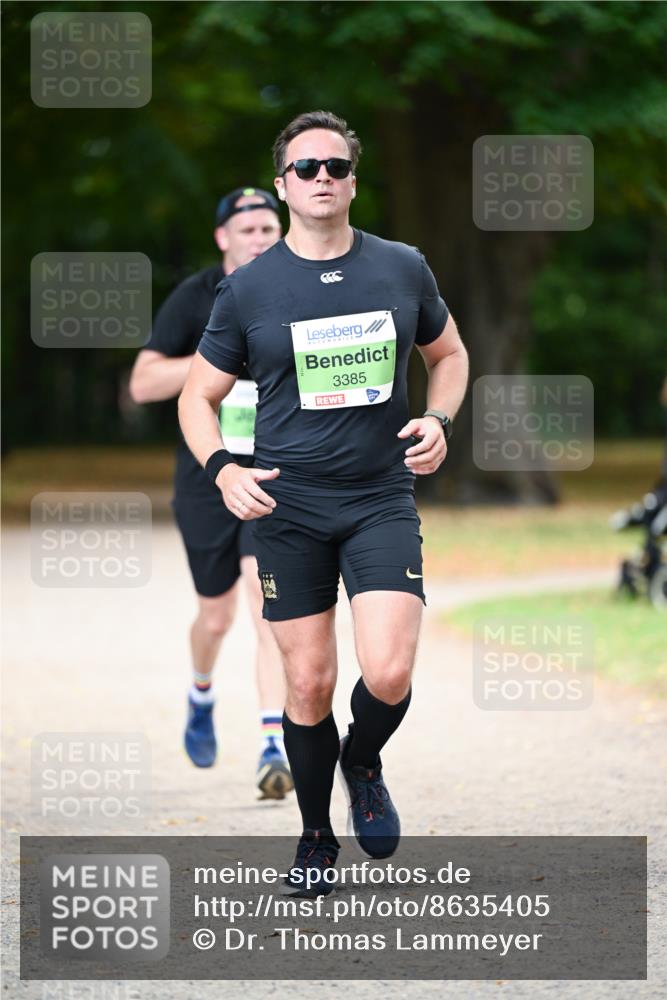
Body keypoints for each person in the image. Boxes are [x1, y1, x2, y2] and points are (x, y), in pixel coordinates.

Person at [178, 112, 469, 895]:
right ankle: (314, 838)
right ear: (283, 184)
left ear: (352, 179)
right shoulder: (248, 289)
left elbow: (447, 354)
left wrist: (439, 419)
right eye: (304, 168)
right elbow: (196, 398)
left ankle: (363, 760)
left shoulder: (401, 267)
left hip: (378, 496)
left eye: (335, 166)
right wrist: (220, 470)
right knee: (306, 684)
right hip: (288, 508)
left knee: (389, 669)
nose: (320, 178)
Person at [129, 187, 293, 800]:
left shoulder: (296, 288)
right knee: (217, 614)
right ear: (223, 238)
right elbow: (144, 383)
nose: (258, 236)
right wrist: (216, 359)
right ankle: (201, 691)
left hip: (275, 474)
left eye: (268, 227)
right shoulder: (196, 297)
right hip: (205, 476)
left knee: (263, 602)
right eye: (246, 228)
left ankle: (272, 742)